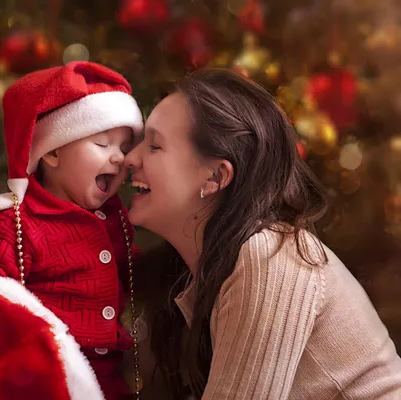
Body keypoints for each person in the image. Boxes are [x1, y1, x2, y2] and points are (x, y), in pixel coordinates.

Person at [124, 68, 401, 399]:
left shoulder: (267, 255)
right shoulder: (207, 271)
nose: (129, 158)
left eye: (154, 146)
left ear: (214, 177)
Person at [0, 61, 144, 400]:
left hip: (109, 375)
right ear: (52, 152)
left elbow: (134, 273)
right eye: (102, 144)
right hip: (40, 378)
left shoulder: (113, 220)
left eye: (124, 149)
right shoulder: (14, 223)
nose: (119, 159)